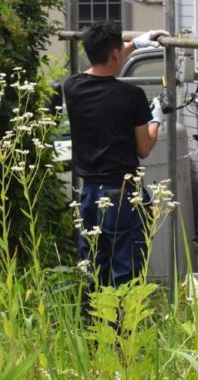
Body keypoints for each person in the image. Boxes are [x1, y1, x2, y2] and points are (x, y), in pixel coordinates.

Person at [64, 21, 169, 288]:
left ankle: (95, 325)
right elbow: (144, 148)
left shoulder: (73, 88)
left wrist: (135, 43)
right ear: (114, 54)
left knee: (94, 269)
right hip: (122, 195)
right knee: (127, 273)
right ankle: (124, 329)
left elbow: (101, 63)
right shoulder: (132, 95)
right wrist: (156, 119)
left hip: (89, 195)